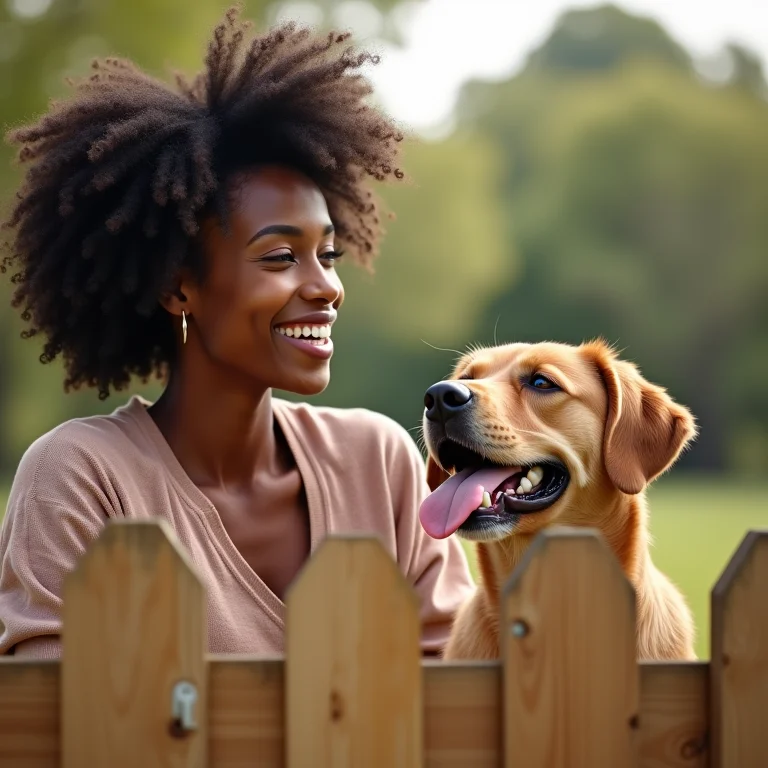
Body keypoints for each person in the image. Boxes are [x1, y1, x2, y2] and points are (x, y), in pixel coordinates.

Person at [0, 7, 474, 658]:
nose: (326, 287)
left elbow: (456, 704)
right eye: (280, 258)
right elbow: (57, 727)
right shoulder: (82, 477)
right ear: (177, 288)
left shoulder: (380, 463)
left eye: (327, 256)